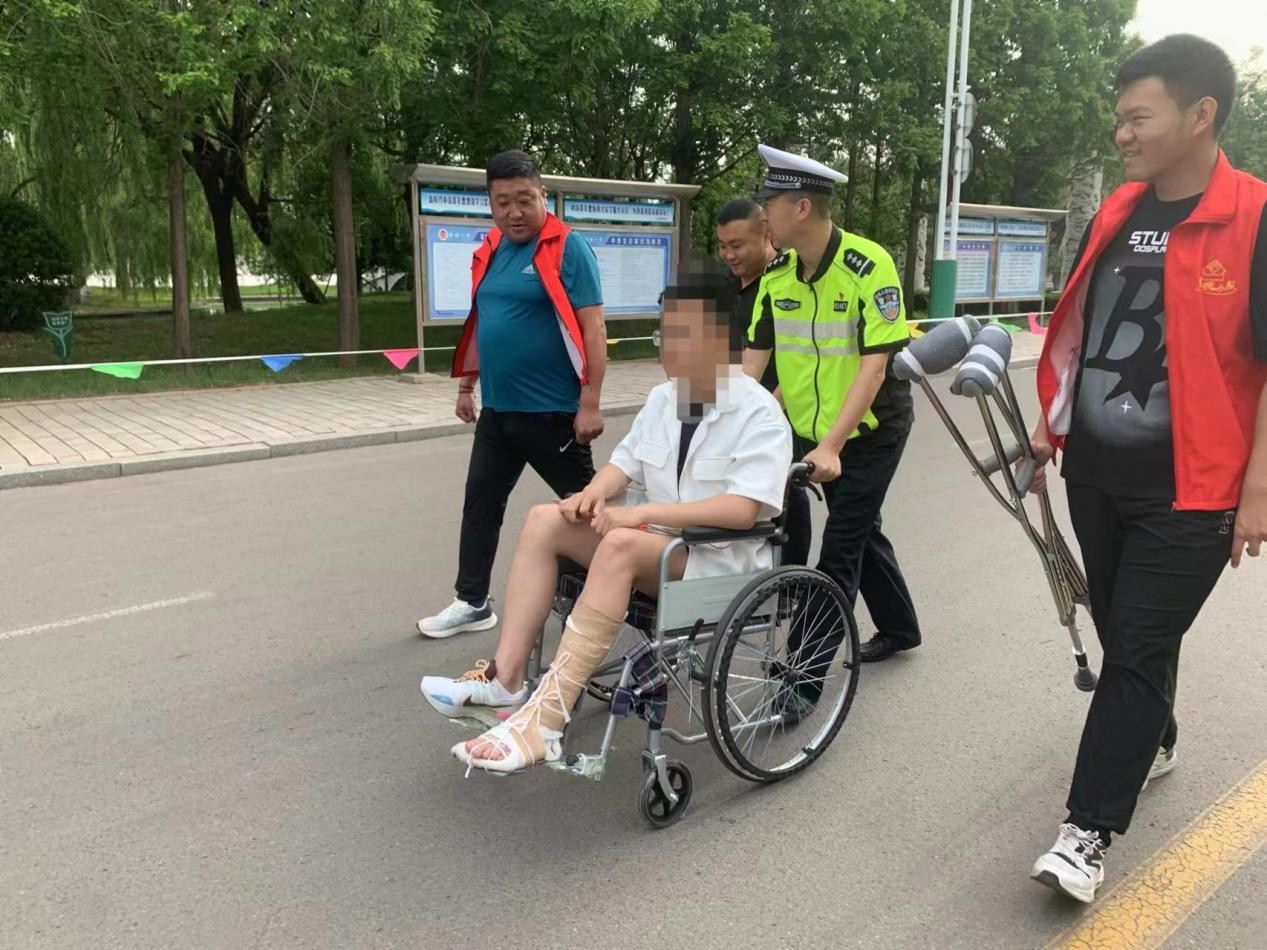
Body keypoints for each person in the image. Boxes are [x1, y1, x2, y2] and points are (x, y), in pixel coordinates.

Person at [1027, 35, 1267, 903]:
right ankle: (1151, 727)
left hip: (1193, 488)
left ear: (1199, 114)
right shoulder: (1117, 212)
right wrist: (1047, 427)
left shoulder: (1254, 216)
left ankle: (1085, 832)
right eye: (1119, 119)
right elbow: (1082, 329)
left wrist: (1256, 491)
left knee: (1134, 645)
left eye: (1138, 117)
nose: (1121, 134)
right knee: (1123, 630)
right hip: (1095, 473)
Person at [419, 270, 793, 773]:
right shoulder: (666, 399)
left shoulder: (759, 413)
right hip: (663, 549)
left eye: (684, 336)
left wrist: (641, 513)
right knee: (545, 519)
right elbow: (625, 462)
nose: (669, 349)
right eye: (666, 334)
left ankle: (545, 721)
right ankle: (506, 679)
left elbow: (742, 510)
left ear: (722, 340)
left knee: (620, 543)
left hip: (722, 561)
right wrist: (593, 493)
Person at [743, 144, 923, 665]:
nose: (763, 217)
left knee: (840, 549)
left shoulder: (868, 267)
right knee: (861, 529)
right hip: (815, 433)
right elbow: (753, 368)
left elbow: (874, 367)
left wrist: (831, 446)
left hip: (871, 431)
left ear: (801, 207)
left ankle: (799, 681)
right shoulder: (777, 277)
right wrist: (729, 427)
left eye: (769, 205)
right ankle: (900, 628)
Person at [418, 150, 608, 639]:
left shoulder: (568, 247)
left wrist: (590, 403)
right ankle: (472, 602)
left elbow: (594, 329)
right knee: (480, 505)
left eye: (525, 199)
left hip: (553, 412)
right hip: (498, 411)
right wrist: (467, 385)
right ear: (491, 203)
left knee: (589, 511)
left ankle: (622, 588)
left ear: (543, 195)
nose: (514, 212)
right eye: (503, 202)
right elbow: (484, 321)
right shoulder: (492, 248)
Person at [716, 197, 812, 566]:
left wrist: (771, 407)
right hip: (734, 404)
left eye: (737, 245)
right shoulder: (723, 287)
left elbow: (806, 357)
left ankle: (790, 579)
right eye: (723, 246)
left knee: (785, 492)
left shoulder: (789, 282)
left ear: (766, 235)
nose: (729, 255)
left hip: (780, 408)